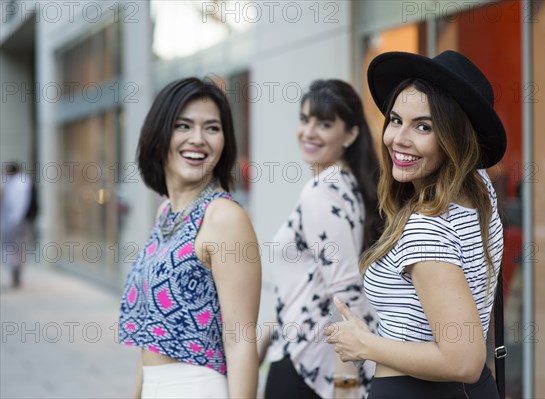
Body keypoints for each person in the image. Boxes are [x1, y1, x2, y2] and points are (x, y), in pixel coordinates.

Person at [324, 50, 506, 398]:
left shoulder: (426, 228)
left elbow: (464, 359)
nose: (398, 139)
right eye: (395, 120)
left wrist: (363, 344)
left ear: (455, 138)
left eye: (423, 126)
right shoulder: (479, 188)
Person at [118, 77, 261, 398]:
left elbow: (240, 341)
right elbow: (152, 333)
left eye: (212, 128)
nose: (198, 139)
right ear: (159, 135)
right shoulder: (166, 212)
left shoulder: (224, 217)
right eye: (183, 126)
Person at [259, 79, 383, 399]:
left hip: (307, 367)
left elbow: (344, 298)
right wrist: (260, 348)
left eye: (325, 124)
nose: (308, 132)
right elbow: (306, 286)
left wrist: (346, 390)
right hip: (304, 356)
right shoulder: (348, 186)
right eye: (304, 119)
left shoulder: (322, 192)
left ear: (351, 134)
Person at [0, 162, 33, 288]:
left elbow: (19, 204)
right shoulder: (11, 182)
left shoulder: (20, 183)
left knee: (17, 248)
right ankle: (15, 272)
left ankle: (16, 272)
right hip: (14, 221)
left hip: (17, 221)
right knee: (15, 248)